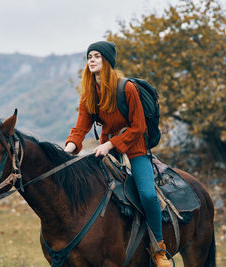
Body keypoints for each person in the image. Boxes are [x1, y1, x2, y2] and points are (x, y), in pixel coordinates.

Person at [64, 41, 170, 267]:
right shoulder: (89, 95)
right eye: (89, 56)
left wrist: (111, 144)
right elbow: (80, 129)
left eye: (97, 56)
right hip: (107, 149)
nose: (91, 60)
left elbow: (138, 127)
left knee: (148, 195)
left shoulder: (127, 88)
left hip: (135, 148)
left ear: (107, 61)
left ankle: (159, 248)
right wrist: (68, 149)